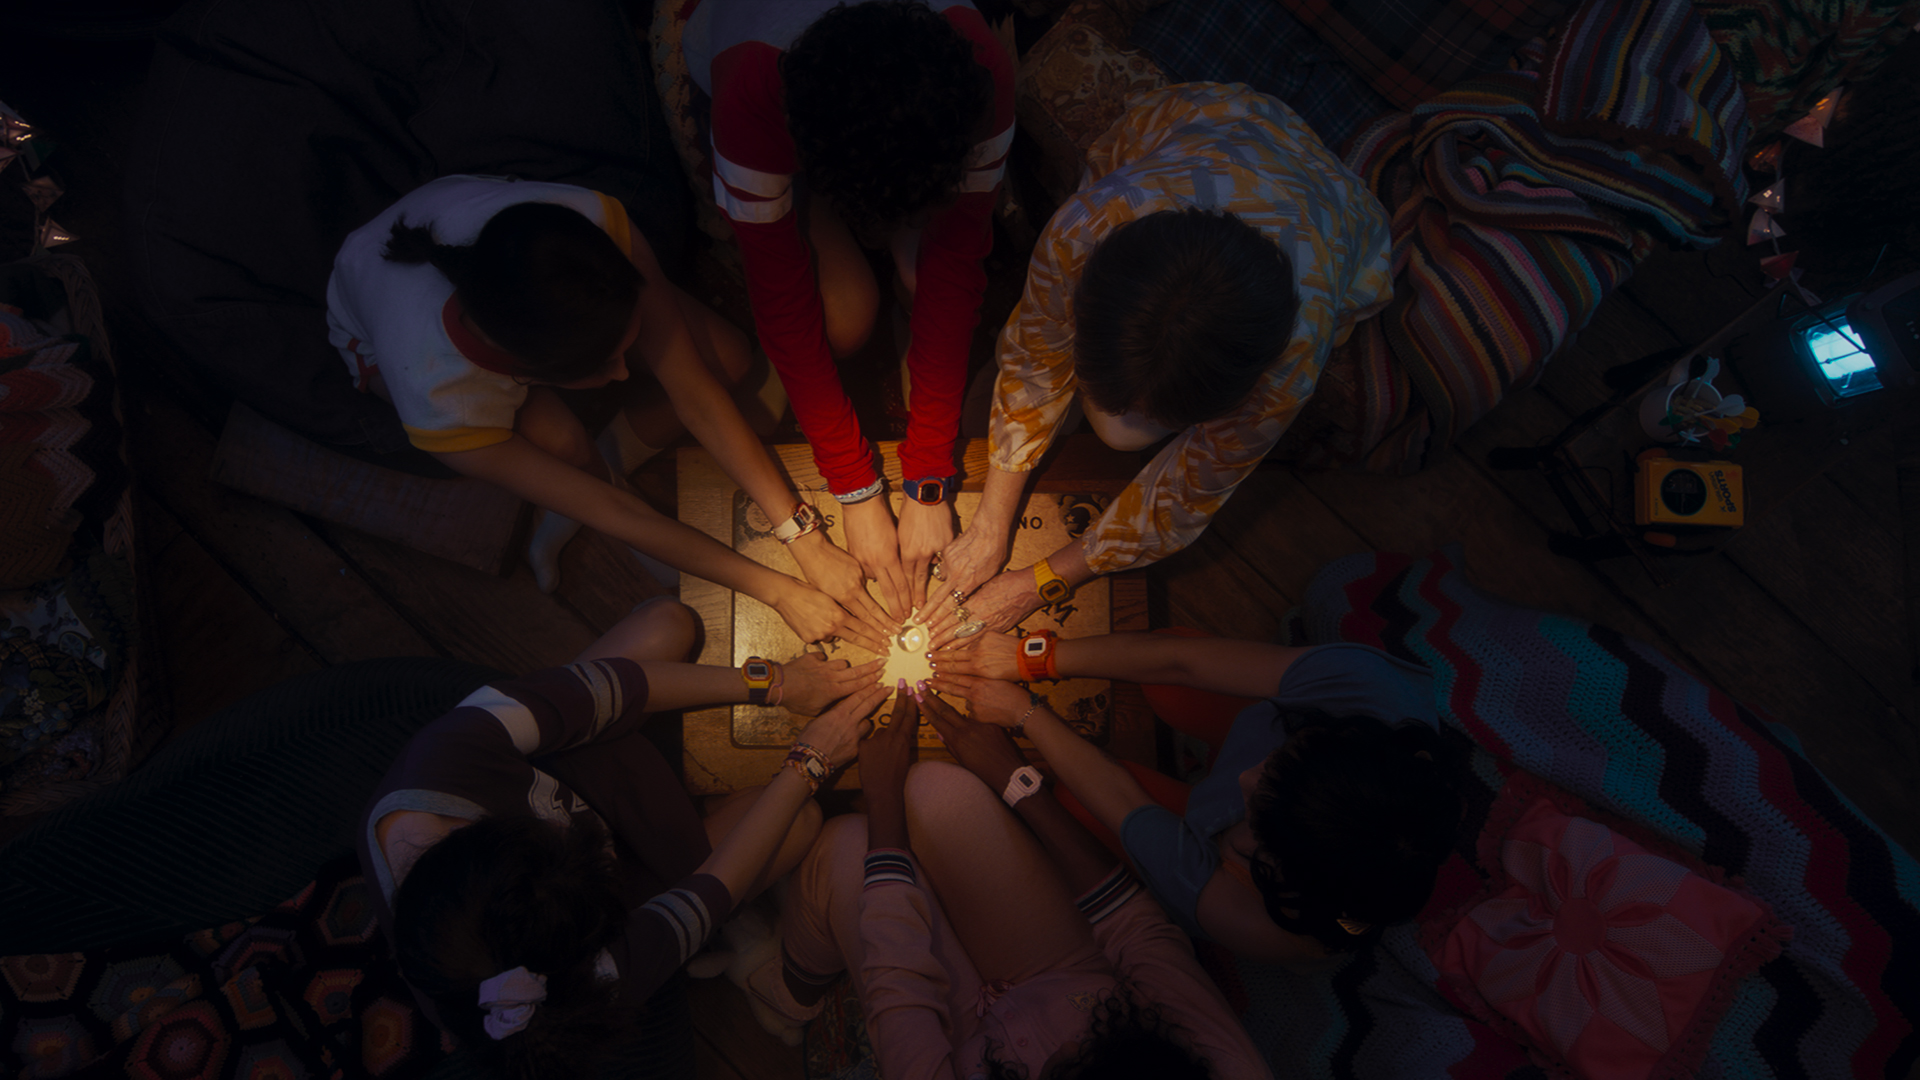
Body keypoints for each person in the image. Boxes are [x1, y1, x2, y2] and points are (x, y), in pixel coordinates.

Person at [326, 174, 892, 649]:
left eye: (627, 350)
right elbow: (620, 515)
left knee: (729, 360)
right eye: (604, 367)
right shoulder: (439, 403)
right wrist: (779, 590)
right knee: (561, 445)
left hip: (504, 274)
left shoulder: (588, 226)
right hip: (376, 345)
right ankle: (578, 479)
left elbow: (694, 392)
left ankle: (597, 453)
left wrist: (803, 535)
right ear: (528, 373)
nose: (624, 375)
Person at [927, 83, 1392, 644]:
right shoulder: (1087, 225)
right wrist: (990, 524)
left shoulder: (1294, 352)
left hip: (1327, 205)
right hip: (1224, 122)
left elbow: (1183, 497)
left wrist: (1039, 581)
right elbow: (1033, 360)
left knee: (1120, 436)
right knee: (1082, 397)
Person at [359, 596, 891, 1077]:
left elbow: (614, 687)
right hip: (631, 878)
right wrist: (811, 760)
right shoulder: (573, 987)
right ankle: (721, 893)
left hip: (565, 758)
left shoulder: (445, 756)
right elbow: (706, 893)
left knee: (668, 623)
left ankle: (691, 806)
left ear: (494, 832)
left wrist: (776, 682)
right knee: (800, 821)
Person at [743, 681, 1272, 1080]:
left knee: (847, 848)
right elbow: (1138, 930)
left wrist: (882, 806)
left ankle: (793, 991)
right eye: (1100, 1037)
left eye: (1065, 1058)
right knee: (934, 788)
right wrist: (1017, 782)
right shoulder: (1222, 1066)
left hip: (962, 1044)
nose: (1067, 1043)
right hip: (1071, 973)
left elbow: (896, 992)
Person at [681, 0, 1015, 617]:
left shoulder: (979, 72)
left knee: (924, 274)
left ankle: (896, 251)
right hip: (747, 79)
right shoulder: (753, 93)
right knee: (844, 318)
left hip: (872, 134)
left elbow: (957, 263)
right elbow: (781, 302)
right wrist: (855, 491)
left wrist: (928, 477)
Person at [929, 630, 1459, 967]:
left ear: (1275, 868)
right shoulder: (1369, 690)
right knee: (1173, 678)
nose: (1246, 781)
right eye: (1279, 763)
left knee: (1071, 797)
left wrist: (1025, 713)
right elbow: (1178, 660)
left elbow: (1120, 798)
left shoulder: (1255, 918)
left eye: (1259, 818)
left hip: (1208, 834)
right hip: (1259, 729)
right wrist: (1030, 657)